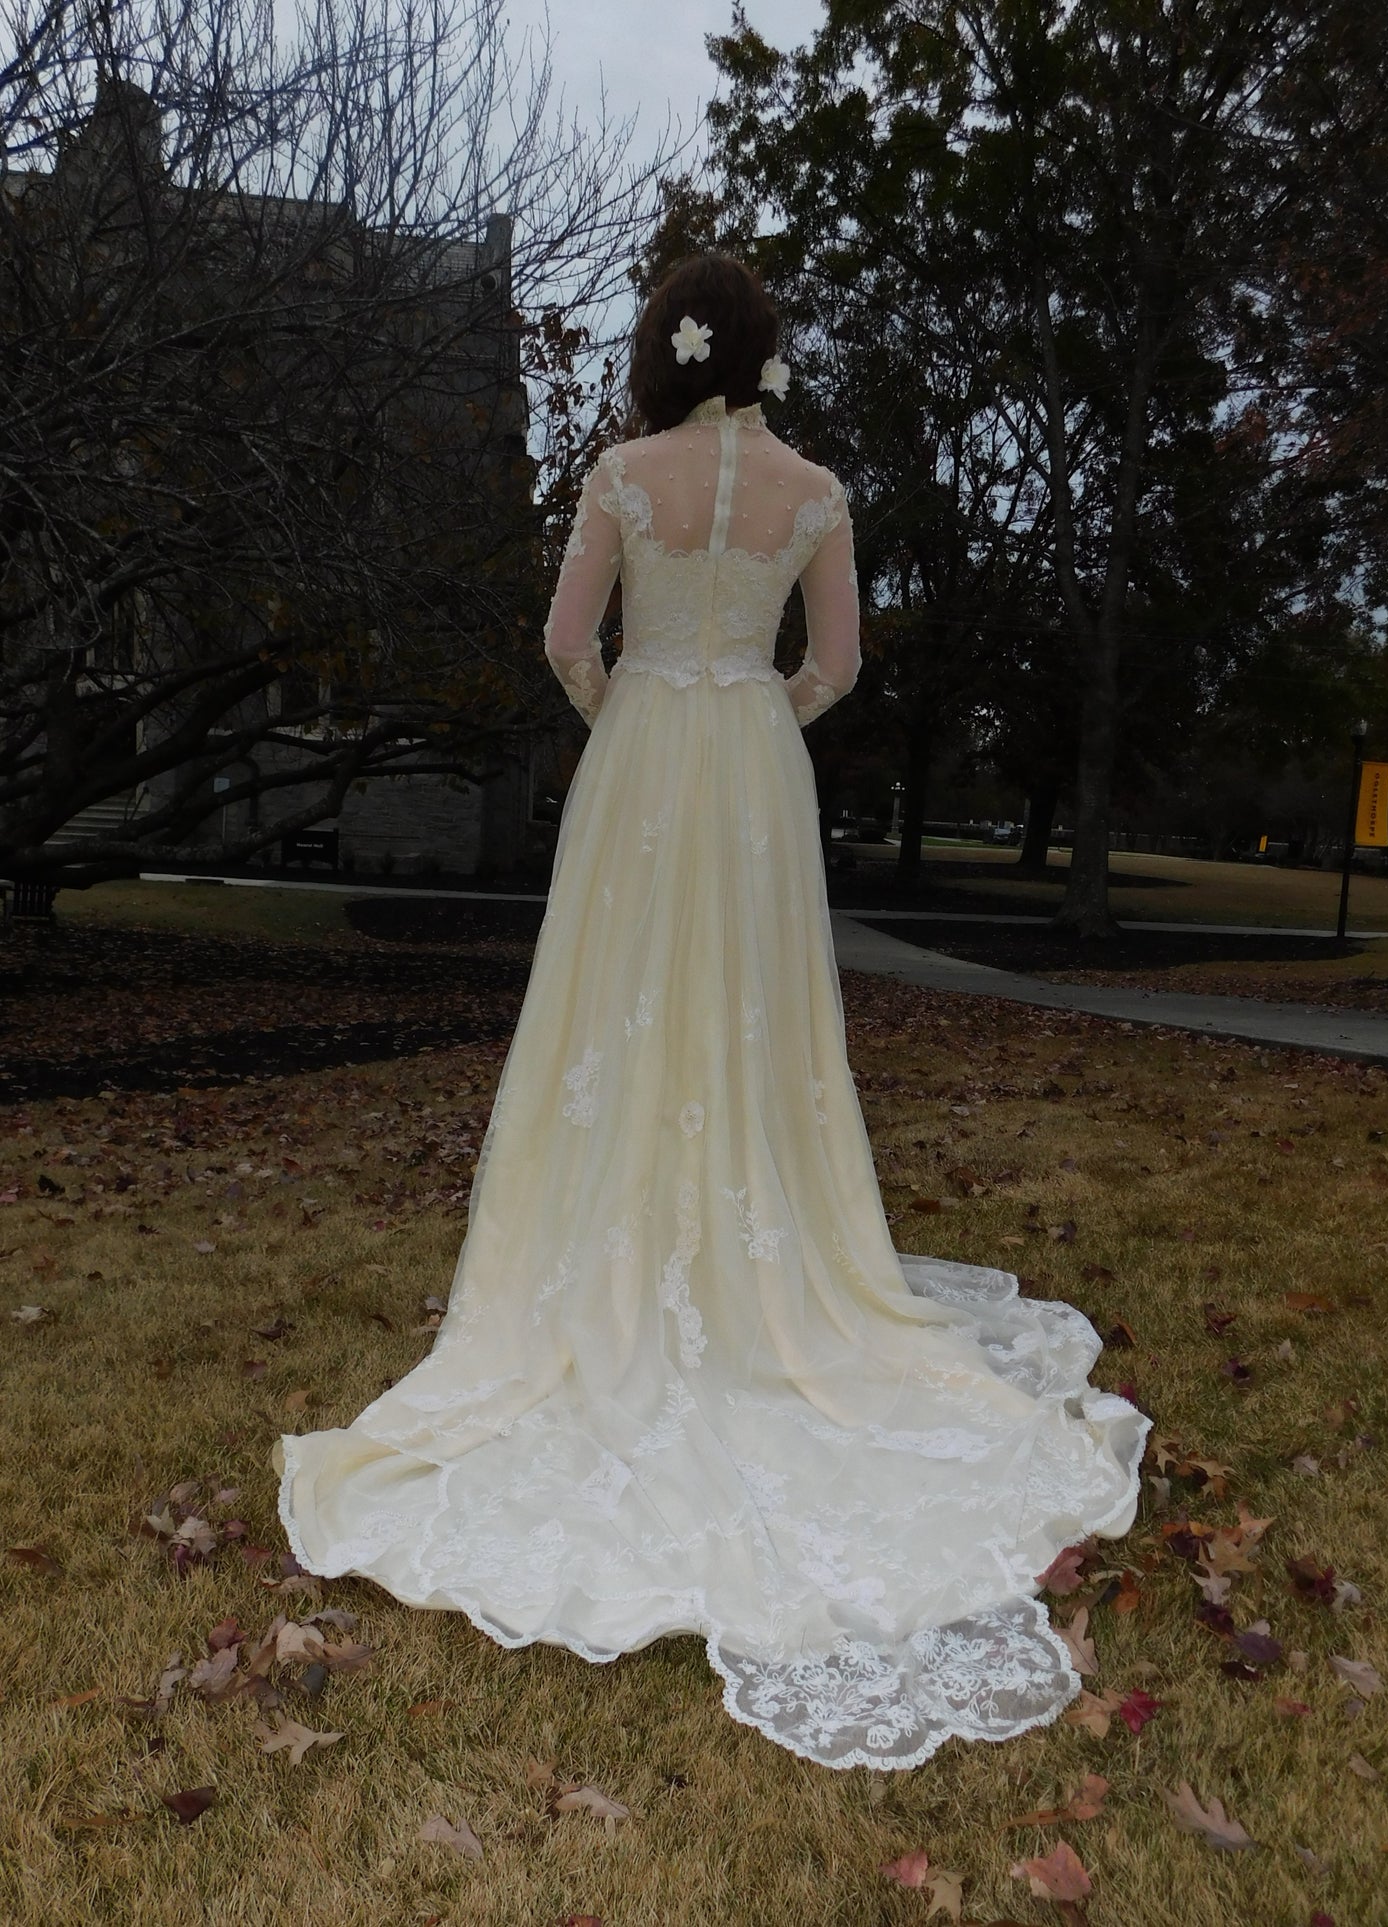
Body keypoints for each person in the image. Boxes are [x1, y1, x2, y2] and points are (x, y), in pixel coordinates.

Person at [274, 253, 1148, 1771]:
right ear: (764, 352)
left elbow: (565, 644)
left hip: (643, 774)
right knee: (749, 1017)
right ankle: (762, 1257)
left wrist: (637, 718)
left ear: (665, 346)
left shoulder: (621, 471)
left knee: (615, 1007)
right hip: (748, 765)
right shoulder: (813, 487)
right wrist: (750, 717)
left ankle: (602, 1256)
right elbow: (842, 664)